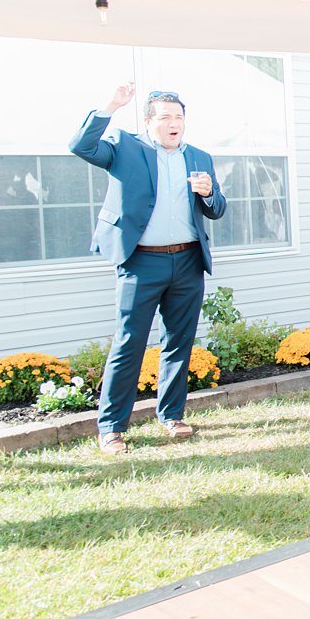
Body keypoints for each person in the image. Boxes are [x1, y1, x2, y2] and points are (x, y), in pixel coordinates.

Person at [70, 86, 227, 455]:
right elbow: (81, 146)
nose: (174, 124)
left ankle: (172, 415)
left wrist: (207, 194)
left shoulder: (199, 156)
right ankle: (111, 427)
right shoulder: (126, 148)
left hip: (187, 260)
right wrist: (111, 105)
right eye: (165, 117)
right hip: (141, 261)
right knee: (130, 343)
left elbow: (217, 209)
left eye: (179, 117)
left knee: (178, 343)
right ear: (148, 121)